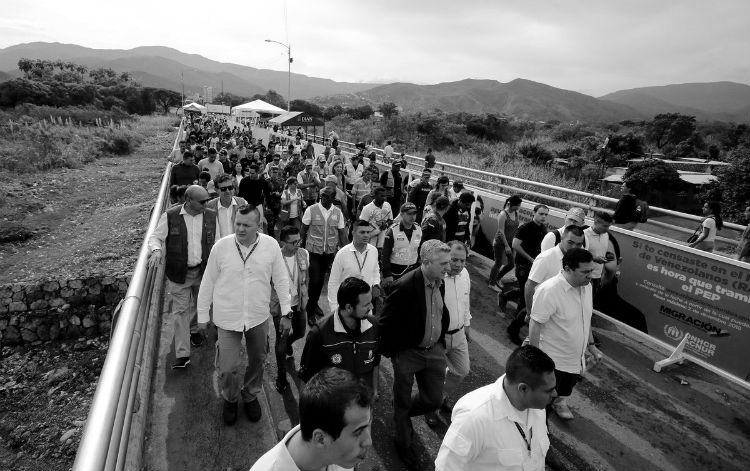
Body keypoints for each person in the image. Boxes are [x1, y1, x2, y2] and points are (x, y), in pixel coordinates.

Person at [196, 204, 291, 425]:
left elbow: (281, 279)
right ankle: (230, 398)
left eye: (246, 225)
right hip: (227, 319)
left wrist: (287, 312)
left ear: (258, 226)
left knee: (258, 360)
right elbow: (207, 282)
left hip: (258, 317)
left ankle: (250, 395)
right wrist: (202, 316)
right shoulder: (221, 248)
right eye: (237, 223)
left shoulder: (271, 246)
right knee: (227, 368)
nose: (240, 229)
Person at [379, 240, 451, 469]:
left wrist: (440, 342)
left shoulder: (440, 282)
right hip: (408, 354)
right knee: (401, 401)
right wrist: (394, 354)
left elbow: (440, 313)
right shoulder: (405, 286)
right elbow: (386, 323)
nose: (448, 268)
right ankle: (403, 442)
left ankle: (401, 413)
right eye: (443, 263)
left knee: (434, 400)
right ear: (426, 262)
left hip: (435, 352)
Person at [435, 345, 556, 471]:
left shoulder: (538, 407)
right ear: (523, 389)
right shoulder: (473, 418)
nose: (555, 394)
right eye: (549, 391)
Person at [249, 368, 372, 471]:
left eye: (368, 424)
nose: (368, 441)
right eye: (358, 432)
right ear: (320, 439)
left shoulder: (341, 458)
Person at [147, 185, 216, 369]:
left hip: (202, 272)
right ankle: (183, 354)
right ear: (188, 200)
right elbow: (156, 238)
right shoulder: (170, 216)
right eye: (202, 201)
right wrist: (155, 251)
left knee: (202, 305)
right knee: (180, 312)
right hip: (179, 274)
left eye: (207, 201)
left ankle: (193, 329)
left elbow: (217, 243)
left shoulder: (210, 216)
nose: (206, 204)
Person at [529, 248, 602, 420]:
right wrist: (537, 364)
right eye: (585, 272)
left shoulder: (587, 286)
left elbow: (586, 318)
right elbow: (535, 324)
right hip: (553, 364)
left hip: (574, 363)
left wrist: (591, 346)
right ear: (568, 268)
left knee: (560, 394)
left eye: (591, 270)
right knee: (540, 408)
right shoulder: (549, 290)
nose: (590, 275)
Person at [507, 224, 585, 345]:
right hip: (540, 301)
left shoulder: (574, 259)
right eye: (570, 242)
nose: (574, 247)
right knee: (532, 323)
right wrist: (530, 311)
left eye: (579, 244)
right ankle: (514, 332)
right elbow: (529, 285)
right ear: (562, 239)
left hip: (555, 304)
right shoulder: (546, 258)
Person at [300, 278, 380, 394]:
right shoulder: (318, 334)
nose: (371, 307)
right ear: (348, 308)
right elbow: (306, 378)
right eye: (366, 304)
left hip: (362, 404)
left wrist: (374, 390)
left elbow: (375, 362)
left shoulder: (373, 326)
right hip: (333, 407)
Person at [425, 241, 472, 428]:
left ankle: (440, 397)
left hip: (459, 334)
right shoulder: (437, 277)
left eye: (463, 260)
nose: (459, 265)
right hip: (438, 337)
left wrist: (467, 324)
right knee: (435, 375)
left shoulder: (465, 275)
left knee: (462, 370)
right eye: (454, 260)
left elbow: (466, 300)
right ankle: (431, 407)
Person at [271, 225, 309, 393]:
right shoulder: (274, 257)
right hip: (281, 307)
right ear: (283, 242)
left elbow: (305, 277)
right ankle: (281, 375)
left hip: (299, 303)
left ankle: (289, 343)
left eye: (299, 240)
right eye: (293, 242)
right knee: (281, 342)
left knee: (300, 332)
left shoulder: (303, 254)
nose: (297, 244)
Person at [301, 187, 348, 319]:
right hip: (313, 252)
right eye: (322, 195)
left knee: (321, 280)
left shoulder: (338, 213)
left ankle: (314, 303)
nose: (323, 198)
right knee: (314, 280)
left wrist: (348, 250)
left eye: (327, 196)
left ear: (333, 198)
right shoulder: (311, 210)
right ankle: (310, 310)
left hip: (328, 253)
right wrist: (298, 249)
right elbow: (303, 231)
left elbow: (342, 233)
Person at [328, 220, 381, 315]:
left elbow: (376, 270)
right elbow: (333, 282)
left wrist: (376, 283)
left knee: (366, 329)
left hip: (366, 305)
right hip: (347, 305)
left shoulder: (373, 251)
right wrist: (334, 308)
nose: (366, 235)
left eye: (368, 232)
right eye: (362, 232)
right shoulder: (342, 253)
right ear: (353, 233)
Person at [382, 202, 422, 287]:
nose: (412, 216)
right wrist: (387, 274)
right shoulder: (392, 231)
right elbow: (385, 254)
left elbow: (420, 250)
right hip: (396, 271)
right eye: (409, 214)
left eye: (414, 213)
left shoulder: (419, 229)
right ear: (401, 214)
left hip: (413, 270)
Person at [488, 195, 522, 292]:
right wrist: (507, 246)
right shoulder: (503, 214)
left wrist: (512, 244)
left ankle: (497, 278)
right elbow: (501, 231)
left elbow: (516, 228)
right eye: (517, 205)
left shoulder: (516, 213)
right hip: (500, 242)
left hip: (510, 242)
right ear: (511, 204)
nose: (519, 207)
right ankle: (491, 283)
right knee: (498, 263)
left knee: (511, 264)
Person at [206, 174, 248, 239]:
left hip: (238, 245)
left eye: (230, 187)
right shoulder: (209, 206)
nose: (227, 191)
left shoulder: (243, 203)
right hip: (218, 246)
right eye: (223, 189)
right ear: (216, 190)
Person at [584, 211, 614, 294]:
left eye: (609, 226)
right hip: (584, 276)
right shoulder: (584, 235)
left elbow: (601, 252)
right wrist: (594, 258)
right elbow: (578, 255)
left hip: (598, 277)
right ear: (596, 221)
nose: (607, 229)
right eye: (605, 226)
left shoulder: (606, 235)